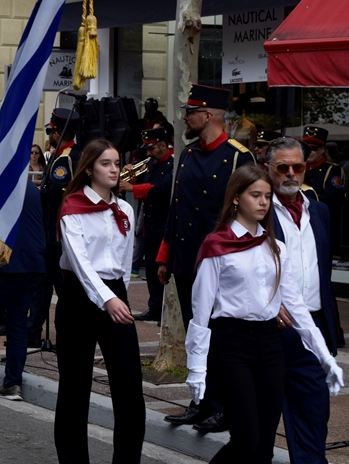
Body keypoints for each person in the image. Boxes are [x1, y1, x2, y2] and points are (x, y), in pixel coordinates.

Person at [187, 165, 343, 463]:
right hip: (231, 344)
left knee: (264, 446)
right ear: (236, 198)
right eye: (255, 195)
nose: (263, 202)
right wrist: (196, 368)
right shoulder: (217, 246)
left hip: (270, 345)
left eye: (267, 196)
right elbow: (201, 312)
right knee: (246, 439)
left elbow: (296, 307)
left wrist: (325, 357)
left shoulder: (276, 248)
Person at [158, 84, 256, 432]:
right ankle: (199, 402)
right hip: (187, 260)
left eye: (191, 111)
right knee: (195, 335)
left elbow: (248, 214)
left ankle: (222, 406)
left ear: (209, 115)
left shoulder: (237, 156)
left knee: (220, 339)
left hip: (221, 264)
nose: (185, 117)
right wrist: (164, 254)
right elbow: (177, 208)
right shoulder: (186, 154)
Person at [53, 138, 144, 463]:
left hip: (115, 295)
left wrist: (118, 296)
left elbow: (125, 261)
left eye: (117, 163)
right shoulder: (72, 206)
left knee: (131, 389)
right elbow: (79, 262)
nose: (114, 169)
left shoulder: (126, 209)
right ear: (90, 168)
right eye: (106, 163)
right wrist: (107, 299)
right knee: (74, 390)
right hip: (80, 296)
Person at [265, 137, 341, 463]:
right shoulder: (256, 211)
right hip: (266, 334)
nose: (291, 174)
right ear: (268, 170)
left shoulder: (320, 212)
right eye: (283, 167)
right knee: (256, 433)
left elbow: (322, 273)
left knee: (313, 421)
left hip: (311, 331)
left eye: (298, 166)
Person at [0, 178, 45, 400]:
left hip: (3, 261)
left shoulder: (0, 181)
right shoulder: (31, 187)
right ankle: (13, 383)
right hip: (31, 263)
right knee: (18, 324)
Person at [30, 107, 79, 349]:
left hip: (55, 235)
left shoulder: (65, 158)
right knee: (41, 286)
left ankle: (69, 335)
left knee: (63, 289)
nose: (49, 134)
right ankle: (33, 332)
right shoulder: (61, 155)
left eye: (51, 130)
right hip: (47, 235)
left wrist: (36, 194)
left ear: (57, 133)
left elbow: (54, 194)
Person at [119, 128, 174, 323]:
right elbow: (144, 180)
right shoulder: (153, 164)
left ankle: (164, 310)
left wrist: (133, 187)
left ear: (162, 145)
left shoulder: (171, 164)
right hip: (151, 225)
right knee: (151, 269)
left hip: (164, 223)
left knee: (163, 271)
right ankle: (154, 307)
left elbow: (162, 189)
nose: (148, 154)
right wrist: (130, 174)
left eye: (151, 149)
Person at [302, 126, 346, 251]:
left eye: (314, 148)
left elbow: (331, 199)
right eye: (306, 148)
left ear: (322, 150)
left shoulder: (332, 170)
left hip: (323, 226)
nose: (309, 151)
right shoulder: (299, 168)